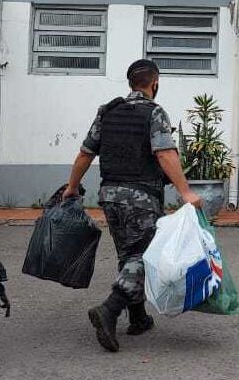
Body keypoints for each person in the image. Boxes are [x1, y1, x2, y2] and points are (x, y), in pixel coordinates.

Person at [62, 59, 202, 353]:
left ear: (129, 83)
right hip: (140, 196)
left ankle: (138, 318)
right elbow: (165, 154)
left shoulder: (107, 112)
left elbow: (85, 153)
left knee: (129, 254)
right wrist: (186, 192)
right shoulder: (154, 112)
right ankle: (110, 309)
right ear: (155, 83)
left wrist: (72, 187)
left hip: (110, 195)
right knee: (144, 255)